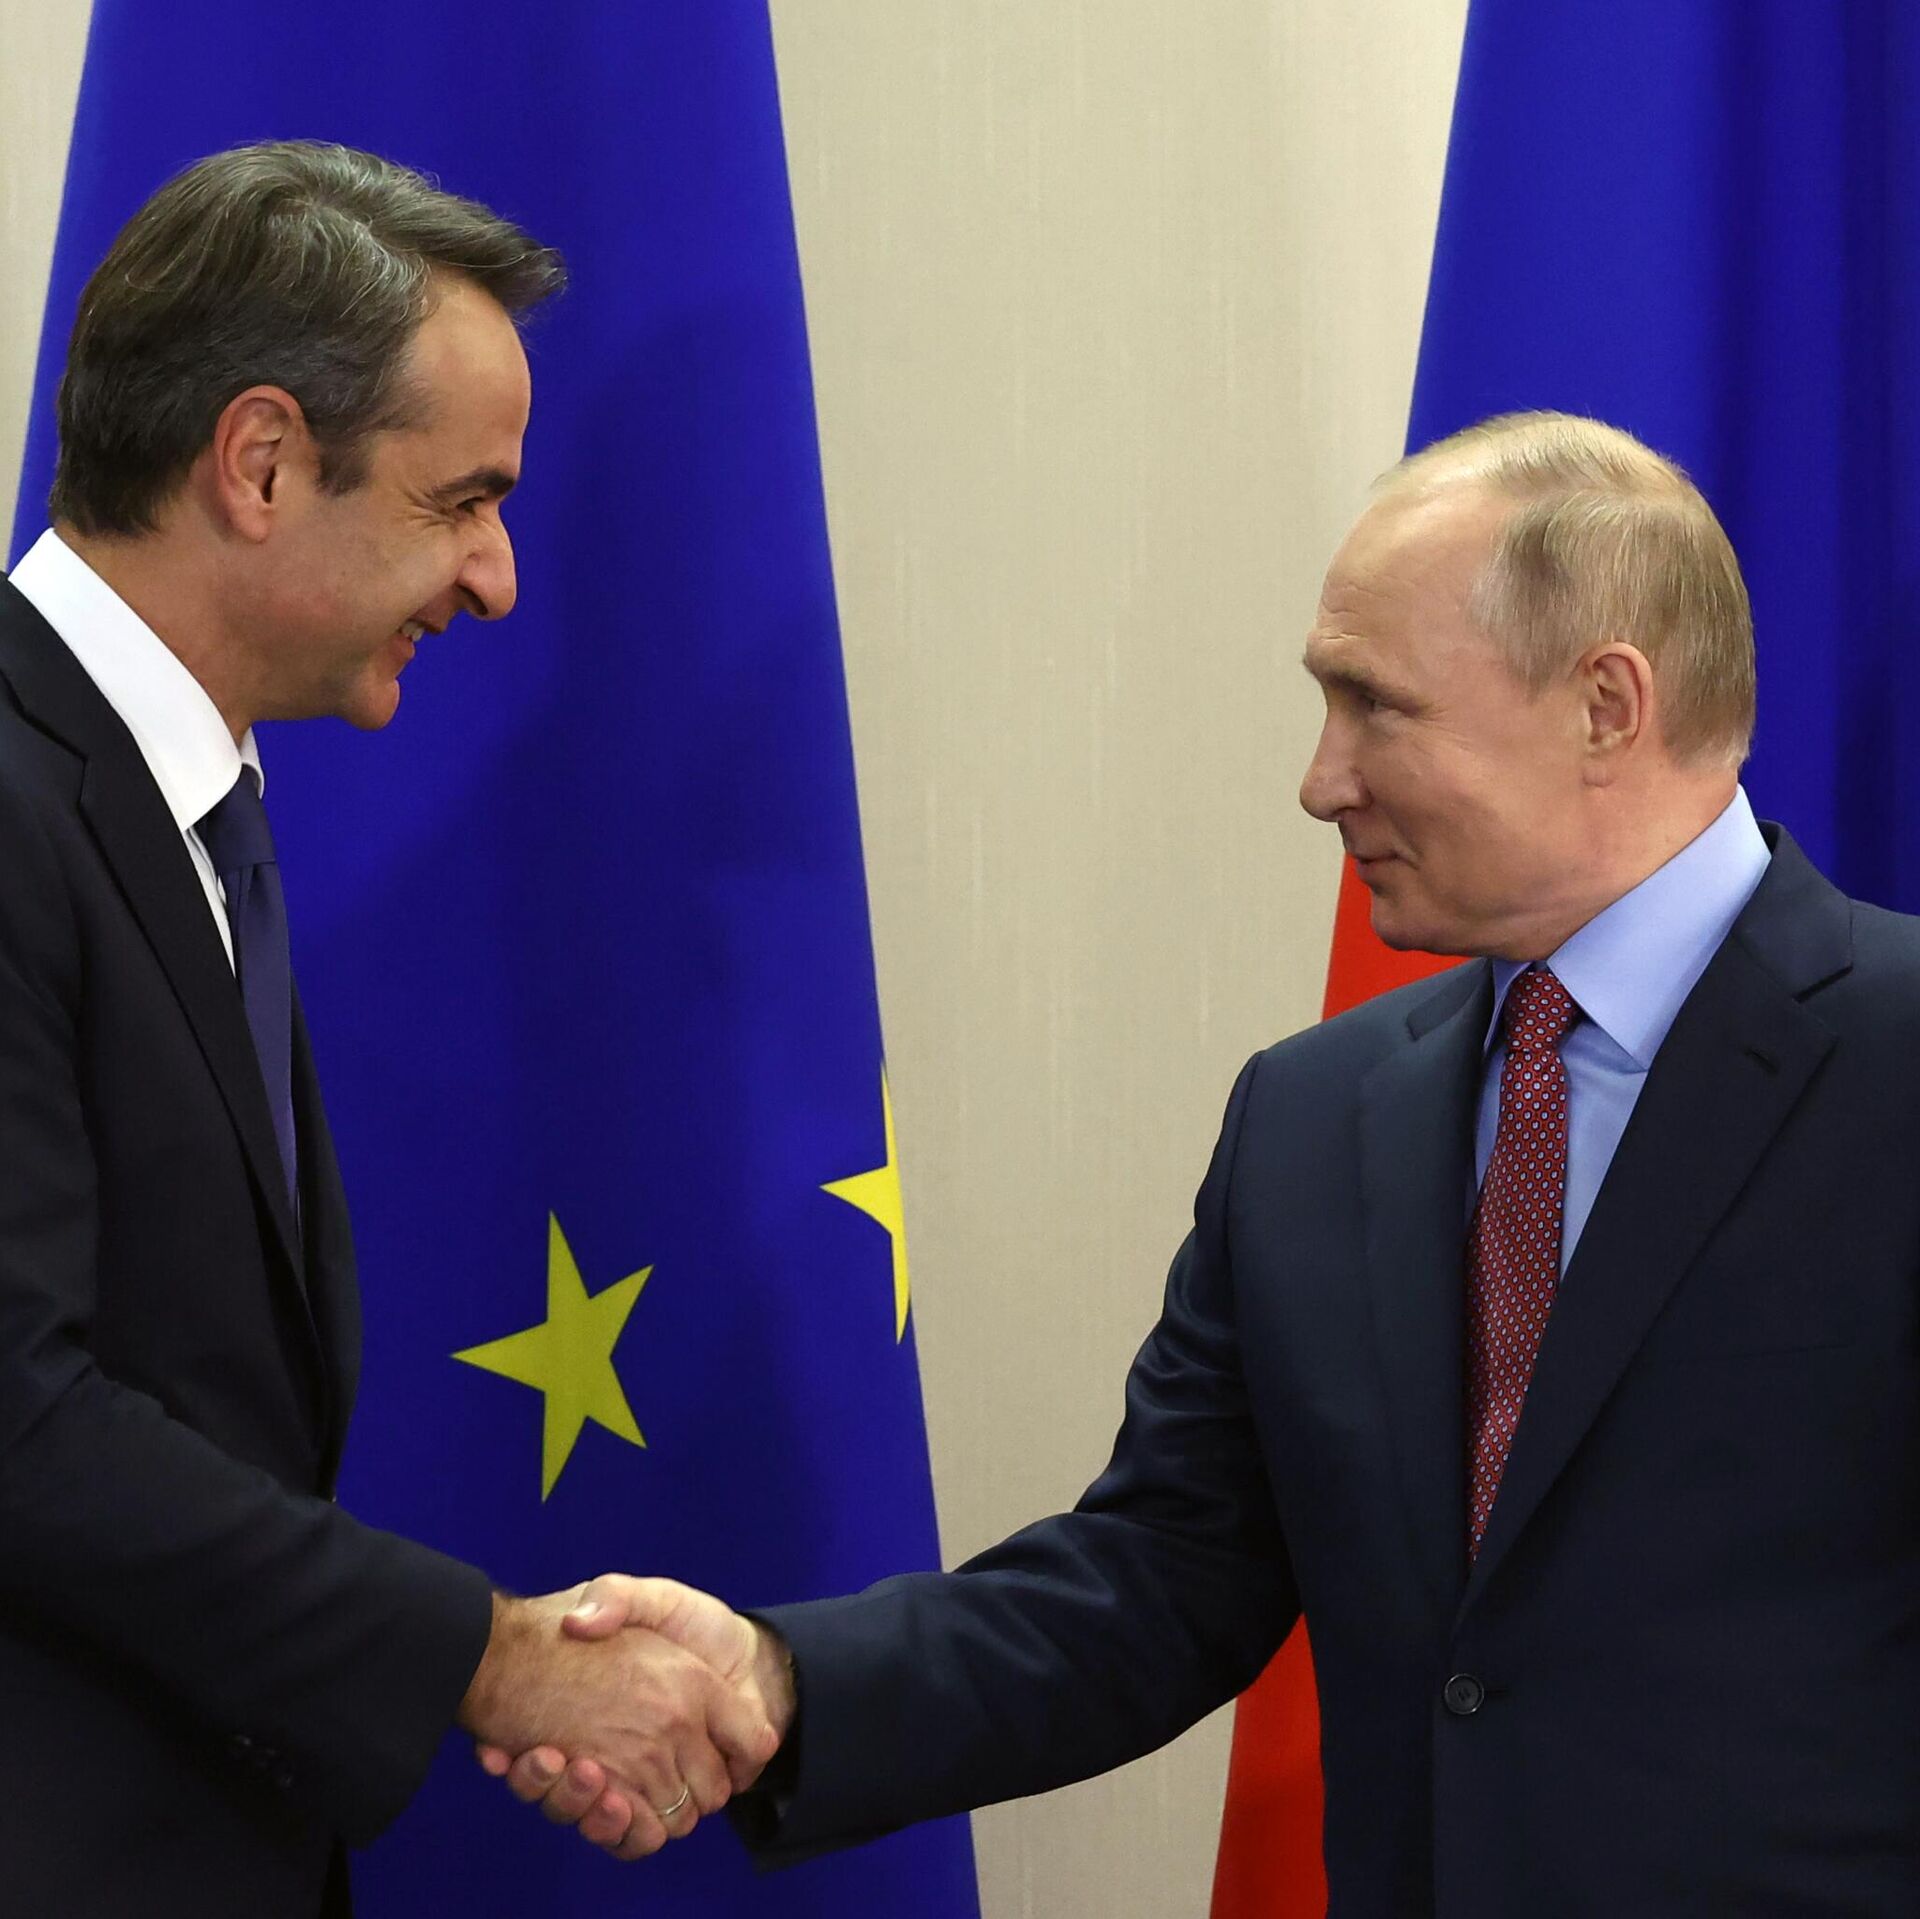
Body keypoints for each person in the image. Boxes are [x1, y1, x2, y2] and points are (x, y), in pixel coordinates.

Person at [503, 411, 1920, 1914]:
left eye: (1377, 707)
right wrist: (779, 1682)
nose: (1322, 780)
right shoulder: (1314, 1117)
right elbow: (1162, 1577)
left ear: (1604, 708)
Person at [0, 142, 775, 1918]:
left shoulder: (172, 807)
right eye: (462, 502)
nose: (496, 579)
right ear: (262, 462)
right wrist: (488, 1661)